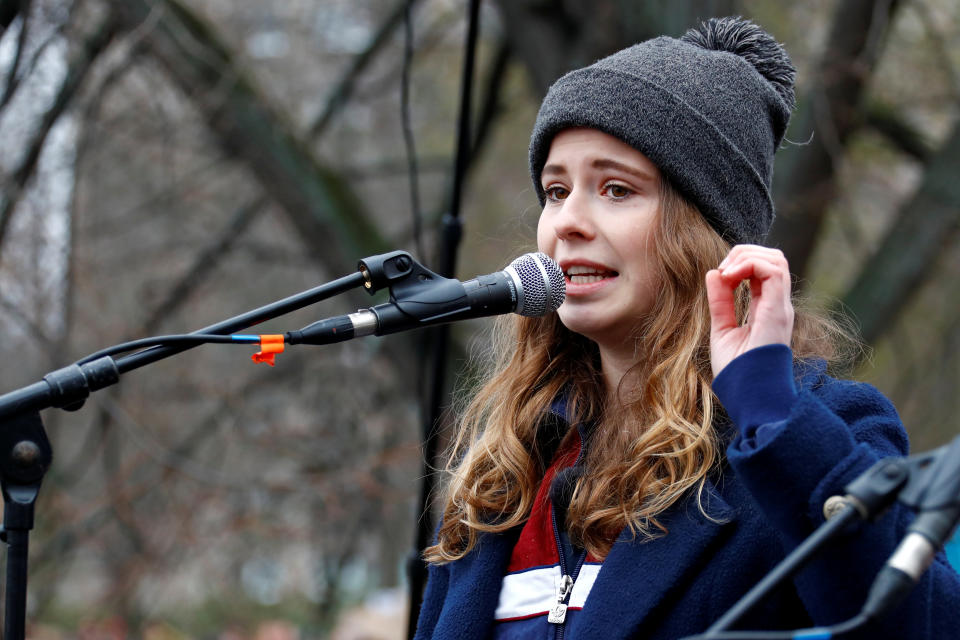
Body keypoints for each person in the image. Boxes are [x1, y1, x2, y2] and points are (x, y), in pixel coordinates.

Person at [413, 16, 960, 640]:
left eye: (616, 190)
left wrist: (773, 419)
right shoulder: (505, 472)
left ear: (701, 232)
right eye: (555, 190)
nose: (567, 221)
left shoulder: (818, 433)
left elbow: (926, 624)